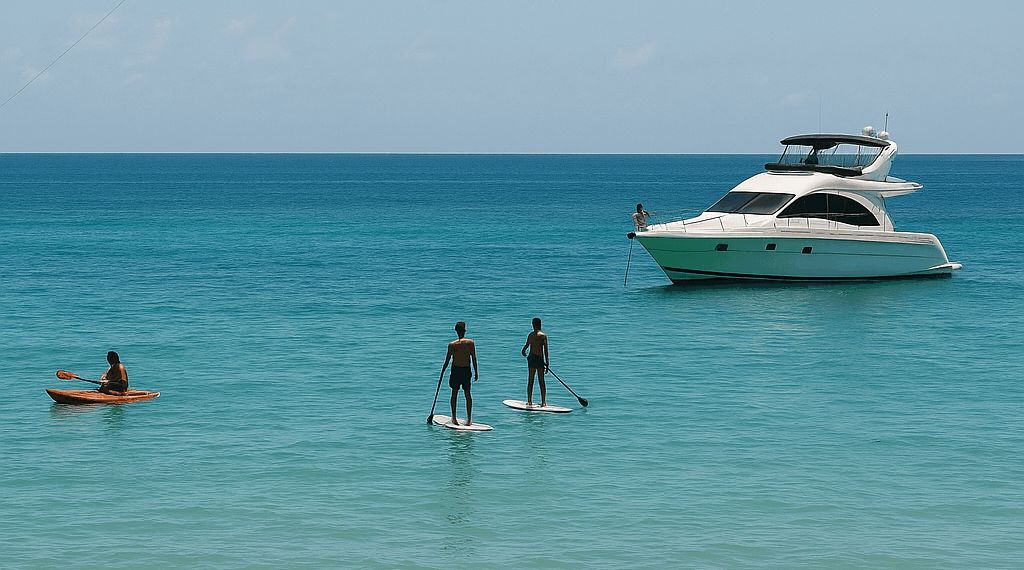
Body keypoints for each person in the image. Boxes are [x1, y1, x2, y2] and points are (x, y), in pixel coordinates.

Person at [441, 321, 477, 425]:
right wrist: (476, 372)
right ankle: (469, 419)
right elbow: (474, 358)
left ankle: (454, 418)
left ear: (456, 331)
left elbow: (447, 360)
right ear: (465, 331)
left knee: (454, 394)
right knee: (467, 394)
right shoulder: (470, 343)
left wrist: (443, 371)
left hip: (456, 370)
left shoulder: (452, 345)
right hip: (466, 370)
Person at [521, 317, 549, 407]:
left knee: (531, 380)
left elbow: (526, 346)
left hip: (532, 358)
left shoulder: (531, 335)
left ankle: (530, 401)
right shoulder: (543, 335)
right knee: (541, 381)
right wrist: (547, 363)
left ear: (533, 325)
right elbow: (546, 351)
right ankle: (543, 402)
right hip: (539, 359)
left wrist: (523, 351)